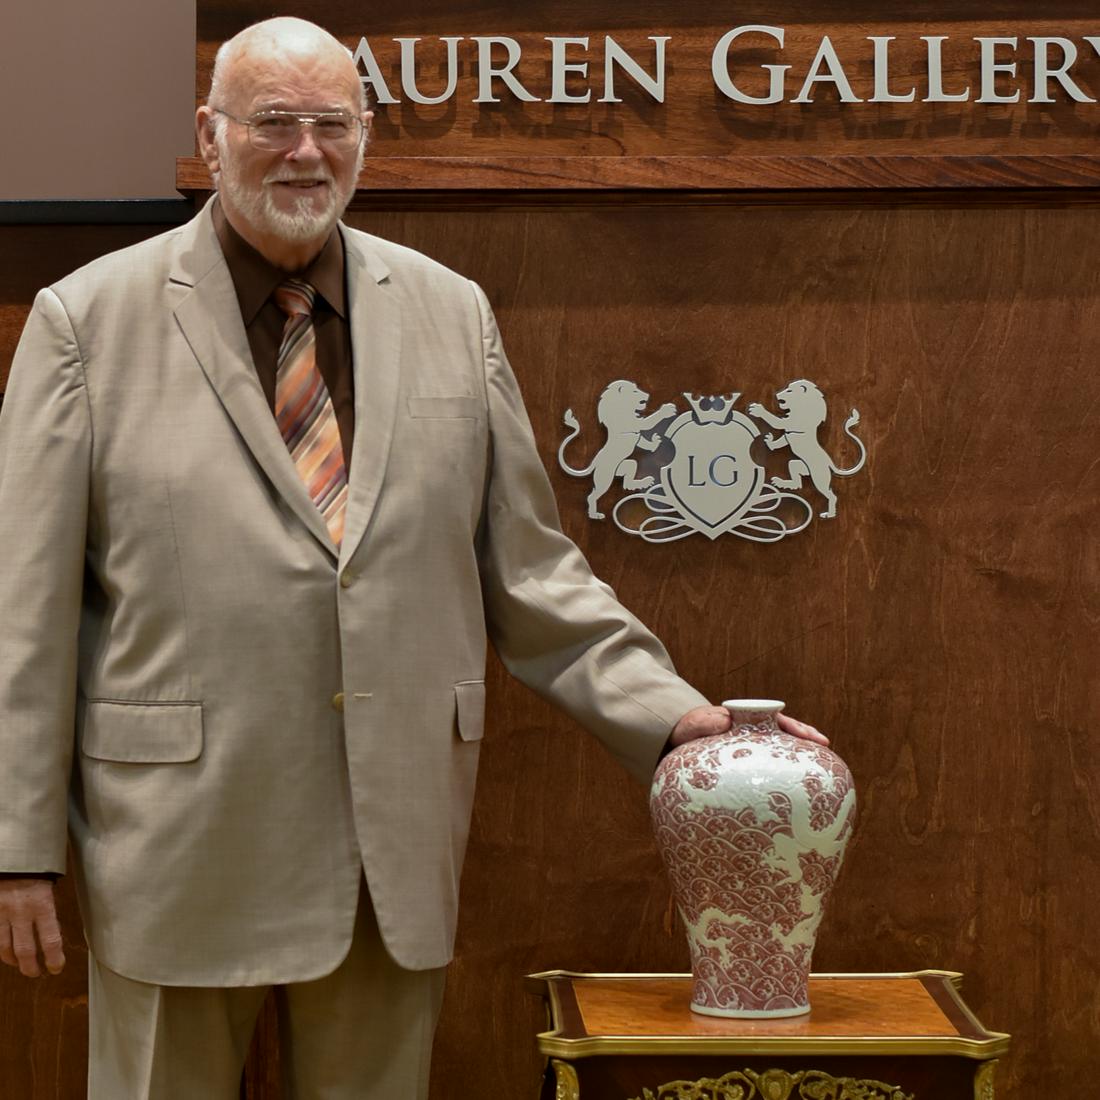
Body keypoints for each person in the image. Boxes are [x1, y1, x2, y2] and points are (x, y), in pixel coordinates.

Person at [0, 17, 826, 1099]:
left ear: (365, 136)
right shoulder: (85, 320)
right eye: (273, 123)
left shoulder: (451, 312)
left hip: (386, 852)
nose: (305, 151)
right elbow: (28, 606)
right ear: (210, 134)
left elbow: (532, 573)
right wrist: (20, 846)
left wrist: (673, 716)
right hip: (172, 844)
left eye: (331, 124)